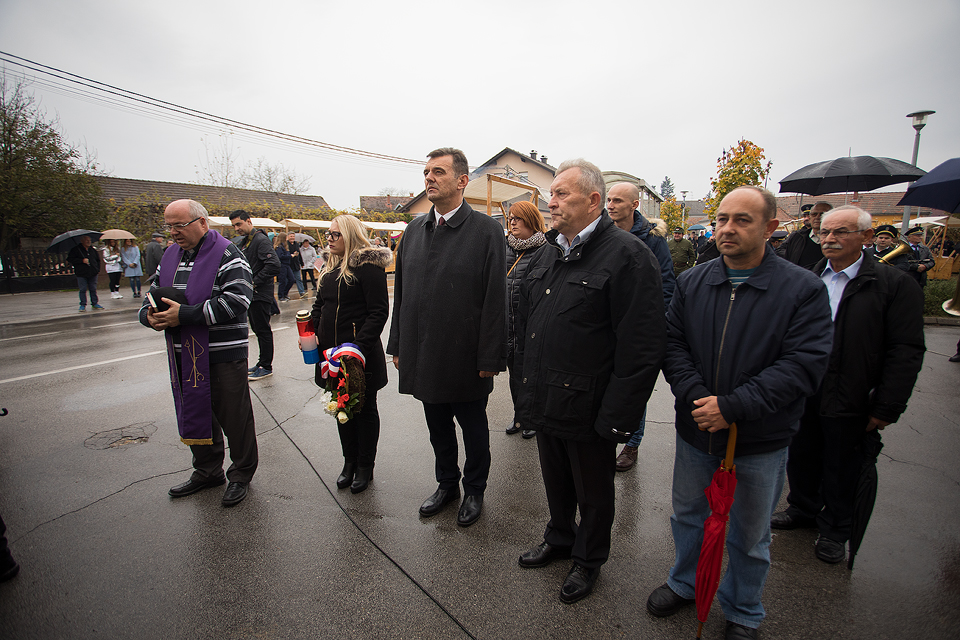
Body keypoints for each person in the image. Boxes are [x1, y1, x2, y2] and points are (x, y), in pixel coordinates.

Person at [647, 186, 833, 640]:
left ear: (770, 228)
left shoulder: (802, 288)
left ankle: (743, 609)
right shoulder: (694, 281)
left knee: (750, 534)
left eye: (742, 220)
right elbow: (672, 345)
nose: (727, 228)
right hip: (698, 429)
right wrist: (699, 400)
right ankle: (685, 582)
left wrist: (732, 407)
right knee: (688, 515)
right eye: (722, 219)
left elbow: (803, 364)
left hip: (759, 438)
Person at [515, 159, 666, 604]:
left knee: (594, 493)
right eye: (551, 193)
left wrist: (617, 417)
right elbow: (531, 323)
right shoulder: (548, 250)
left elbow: (641, 347)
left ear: (594, 200)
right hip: (547, 394)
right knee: (556, 480)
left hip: (591, 406)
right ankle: (560, 536)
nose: (551, 201)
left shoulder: (628, 255)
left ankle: (588, 558)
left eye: (561, 193)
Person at [771, 206, 925, 564]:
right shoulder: (807, 278)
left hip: (854, 391)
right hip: (804, 387)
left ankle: (836, 528)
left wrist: (887, 405)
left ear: (867, 237)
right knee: (803, 453)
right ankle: (803, 508)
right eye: (825, 232)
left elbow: (905, 350)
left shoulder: (892, 284)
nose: (829, 239)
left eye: (840, 232)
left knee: (844, 462)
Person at [386, 147, 506, 528]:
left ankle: (474, 490)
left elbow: (495, 299)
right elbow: (402, 294)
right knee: (437, 428)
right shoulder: (414, 231)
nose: (429, 178)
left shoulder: (486, 231)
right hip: (424, 353)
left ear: (462, 180)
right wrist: (398, 344)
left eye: (438, 172)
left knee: (474, 430)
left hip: (466, 356)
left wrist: (490, 356)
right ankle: (447, 484)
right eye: (426, 172)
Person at [140, 199, 258, 507]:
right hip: (185, 353)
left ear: (202, 223)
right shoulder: (169, 256)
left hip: (222, 354)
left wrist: (184, 315)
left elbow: (238, 301)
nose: (173, 232)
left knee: (235, 417)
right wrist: (149, 316)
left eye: (180, 225)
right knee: (197, 411)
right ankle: (207, 471)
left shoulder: (228, 254)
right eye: (169, 226)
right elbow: (152, 295)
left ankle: (240, 474)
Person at [311, 215, 391, 494]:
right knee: (339, 408)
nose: (329, 239)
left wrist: (356, 348)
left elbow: (378, 312)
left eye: (336, 234)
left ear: (350, 235)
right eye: (328, 234)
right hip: (330, 356)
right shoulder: (329, 268)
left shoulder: (368, 268)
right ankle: (349, 462)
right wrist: (311, 333)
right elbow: (319, 306)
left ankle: (365, 466)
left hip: (359, 356)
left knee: (364, 410)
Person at [606, 182, 674, 471]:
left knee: (633, 387)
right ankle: (606, 438)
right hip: (608, 325)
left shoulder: (652, 239)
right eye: (609, 199)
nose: (611, 205)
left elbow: (666, 284)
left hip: (637, 326)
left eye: (618, 200)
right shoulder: (603, 233)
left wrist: (655, 325)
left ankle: (632, 444)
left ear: (634, 205)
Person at [503, 200, 548, 439]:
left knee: (533, 375)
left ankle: (533, 417)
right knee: (515, 374)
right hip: (508, 325)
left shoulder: (546, 250)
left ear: (531, 220)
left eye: (517, 218)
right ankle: (519, 416)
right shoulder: (504, 247)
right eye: (510, 218)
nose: (512, 222)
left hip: (532, 325)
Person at [230, 210, 280, 381]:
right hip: (253, 294)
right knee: (258, 330)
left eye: (239, 224)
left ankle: (266, 366)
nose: (236, 228)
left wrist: (253, 282)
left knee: (263, 330)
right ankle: (261, 363)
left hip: (260, 294)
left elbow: (274, 264)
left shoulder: (259, 240)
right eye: (234, 226)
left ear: (249, 221)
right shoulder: (246, 241)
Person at [777, 201, 832, 270]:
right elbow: (779, 252)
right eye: (814, 214)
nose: (817, 217)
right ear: (810, 217)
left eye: (822, 214)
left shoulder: (835, 239)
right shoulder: (797, 236)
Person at [67, 234, 103, 311]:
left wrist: (97, 269)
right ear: (82, 241)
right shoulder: (76, 250)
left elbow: (98, 260)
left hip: (93, 272)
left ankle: (95, 303)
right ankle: (83, 304)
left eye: (89, 240)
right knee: (83, 289)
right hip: (81, 273)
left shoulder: (92, 250)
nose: (88, 242)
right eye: (87, 240)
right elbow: (70, 259)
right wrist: (81, 261)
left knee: (93, 288)